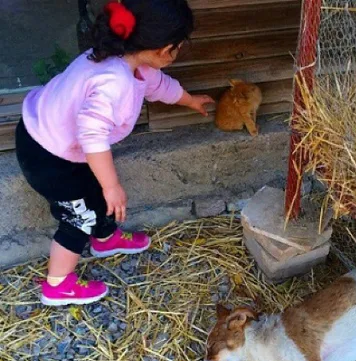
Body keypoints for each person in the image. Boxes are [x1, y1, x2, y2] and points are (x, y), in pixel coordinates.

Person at [16, 0, 213, 306]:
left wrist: (190, 101)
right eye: (180, 46)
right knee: (78, 217)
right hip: (46, 154)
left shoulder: (126, 59)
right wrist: (112, 185)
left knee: (93, 191)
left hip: (56, 139)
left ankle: (105, 238)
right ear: (165, 50)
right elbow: (92, 133)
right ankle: (57, 285)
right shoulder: (115, 81)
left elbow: (159, 85)